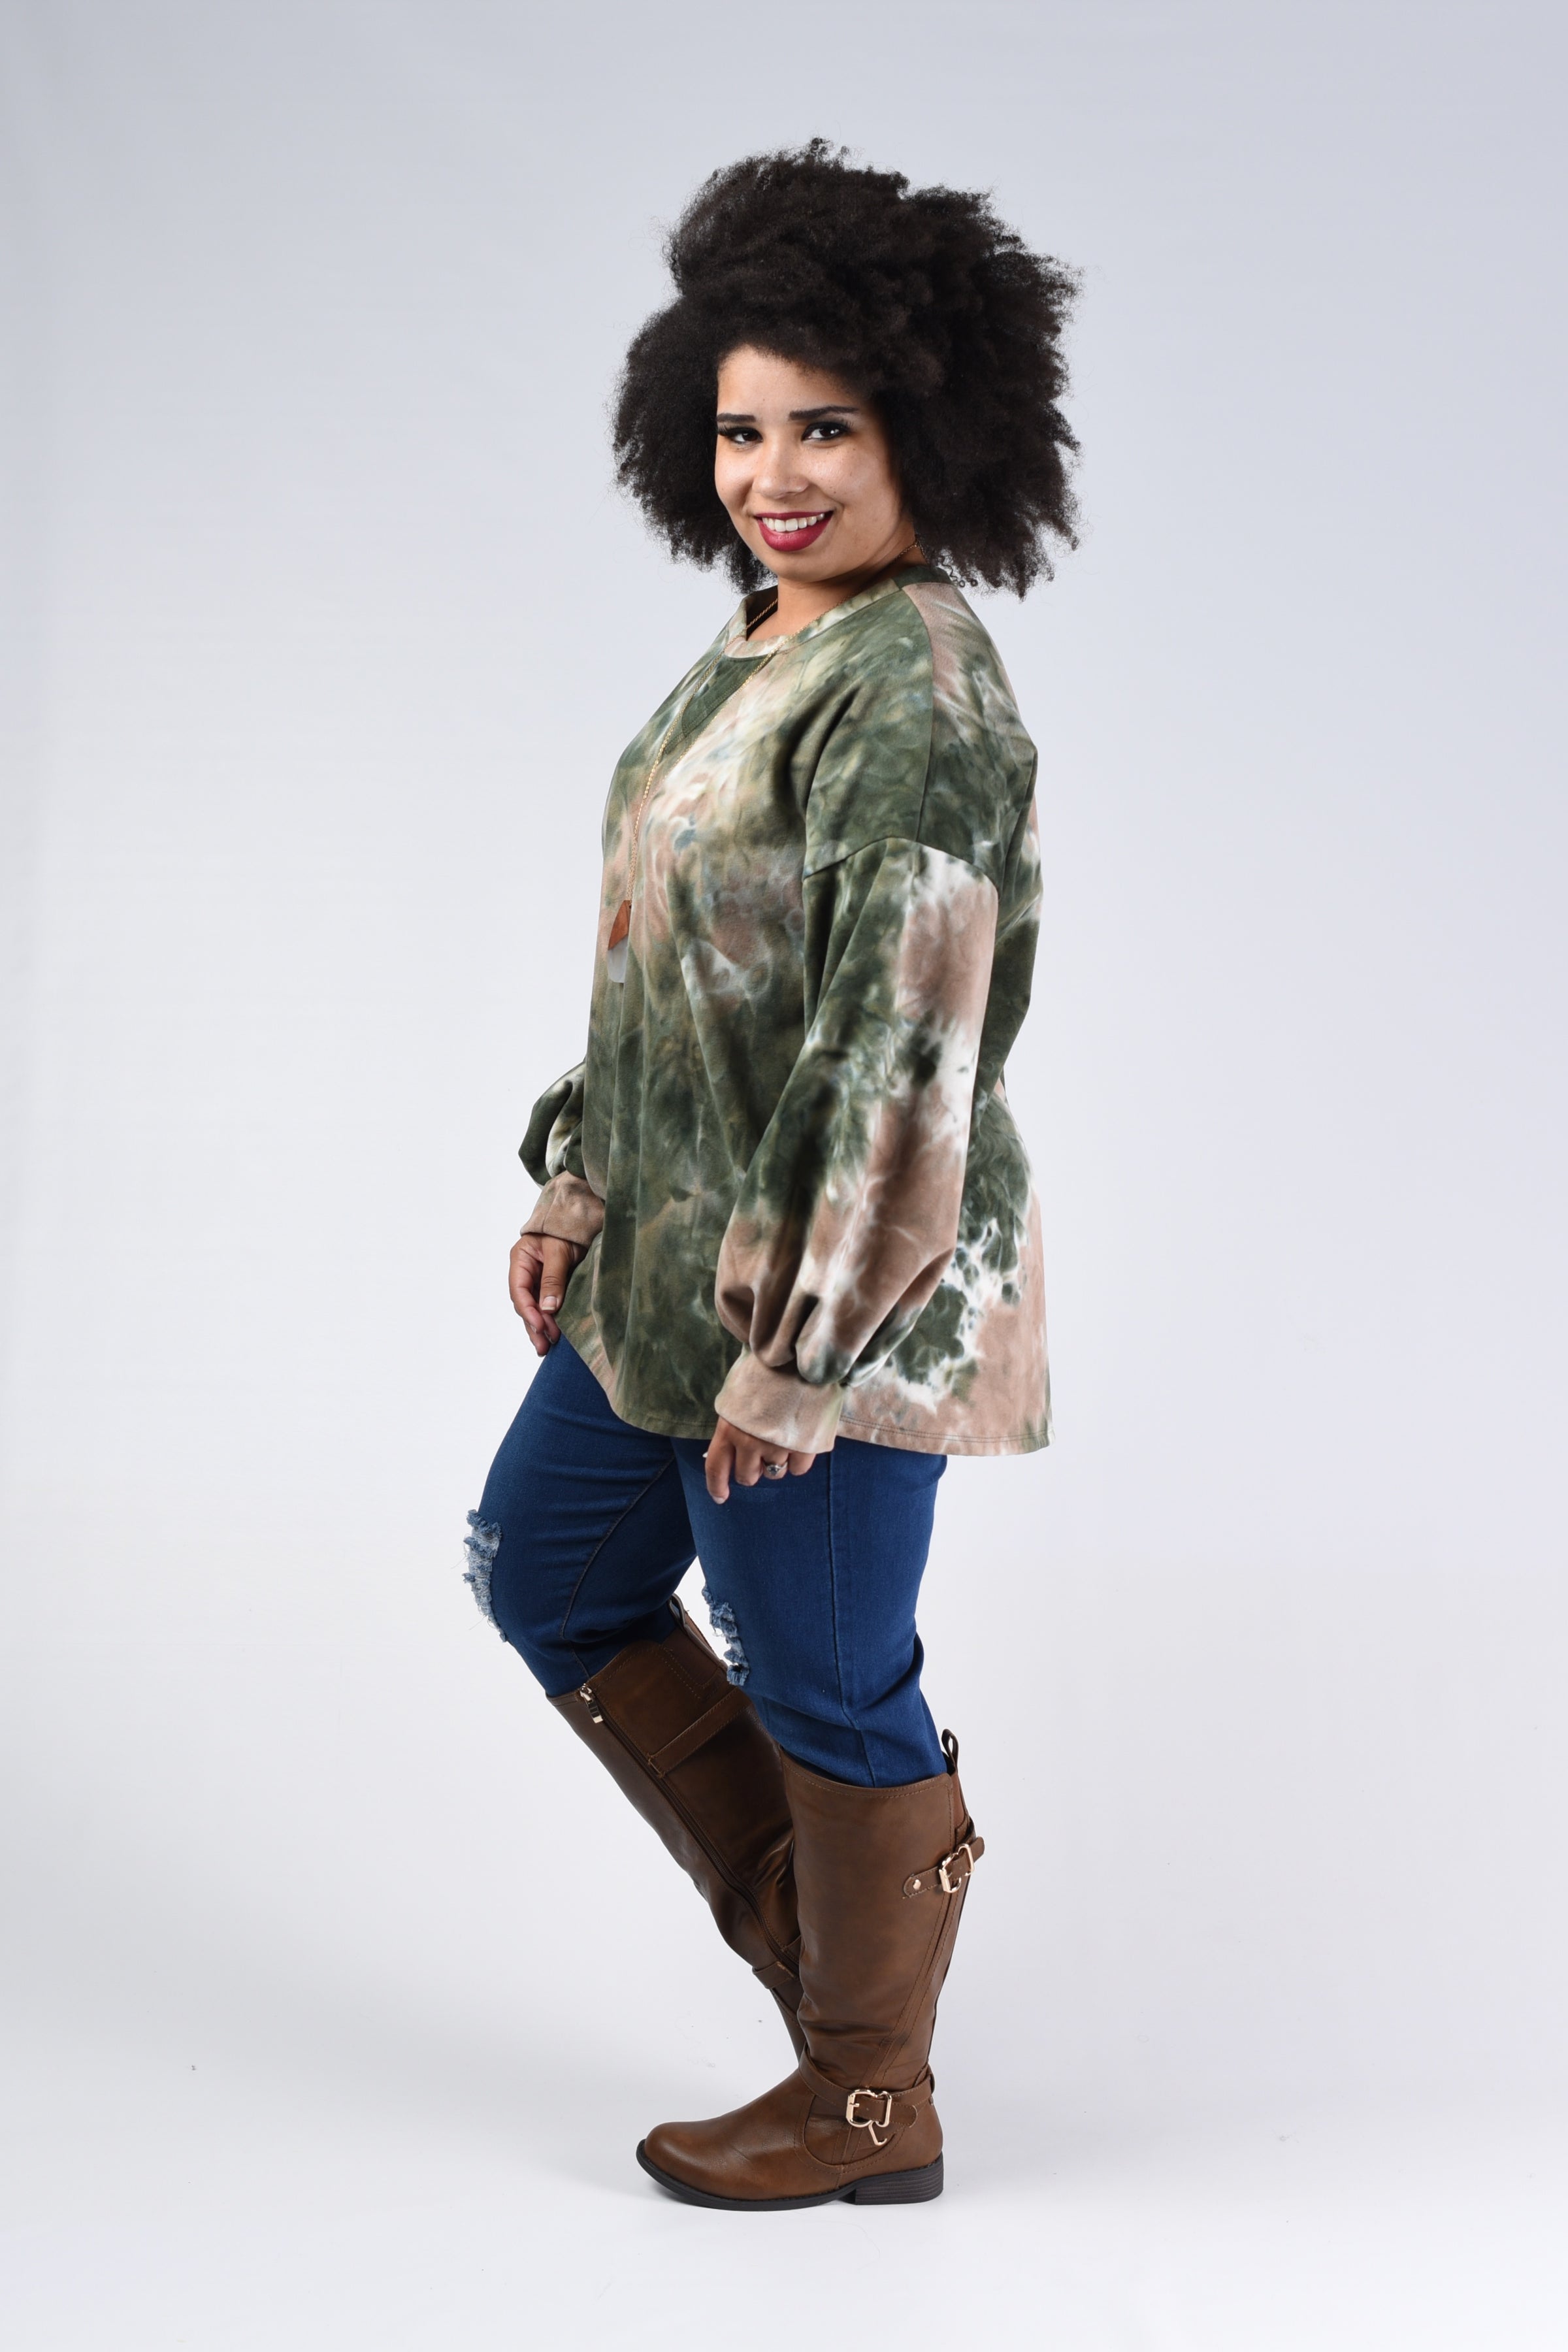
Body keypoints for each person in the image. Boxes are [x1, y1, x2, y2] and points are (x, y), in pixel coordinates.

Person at [464, 142, 1077, 2212]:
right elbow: (671, 968)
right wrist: (578, 1185)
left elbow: (902, 1046)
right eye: (741, 431)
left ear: (930, 430)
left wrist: (802, 1353)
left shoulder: (916, 686)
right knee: (548, 1566)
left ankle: (871, 2097)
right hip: (666, 1267)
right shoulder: (761, 646)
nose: (775, 474)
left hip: (838, 1300)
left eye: (827, 426)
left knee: (822, 1672)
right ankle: (835, 1964)